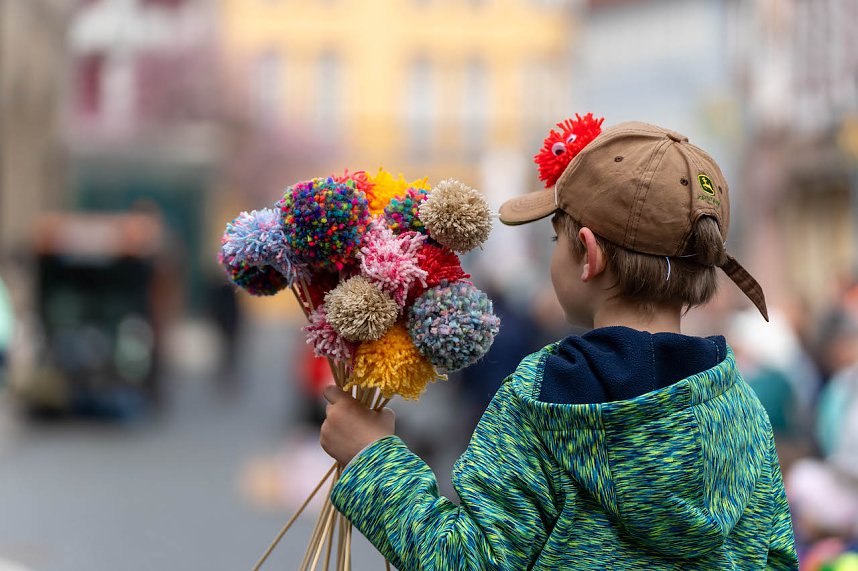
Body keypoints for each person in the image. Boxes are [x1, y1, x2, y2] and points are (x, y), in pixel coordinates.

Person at [320, 121, 799, 569]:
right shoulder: (743, 410)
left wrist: (370, 456)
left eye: (555, 239)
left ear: (587, 255)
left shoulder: (541, 400)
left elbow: (468, 559)